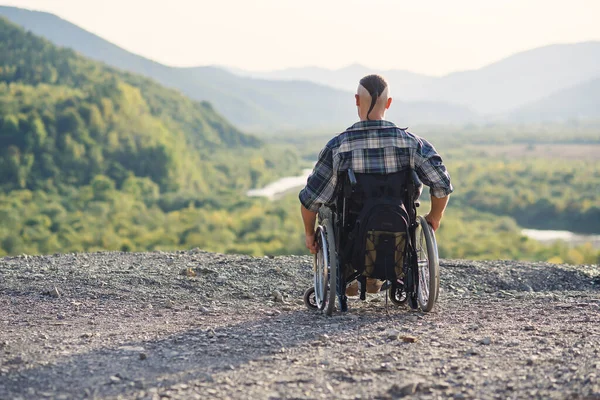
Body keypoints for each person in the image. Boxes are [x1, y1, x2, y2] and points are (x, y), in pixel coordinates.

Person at [298, 74, 453, 296]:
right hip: (398, 224)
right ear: (389, 103)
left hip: (351, 230)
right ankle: (379, 274)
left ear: (356, 100)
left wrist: (309, 234)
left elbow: (310, 199)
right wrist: (434, 217)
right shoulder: (411, 144)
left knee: (327, 211)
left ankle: (350, 274)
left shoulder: (339, 146)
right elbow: (441, 184)